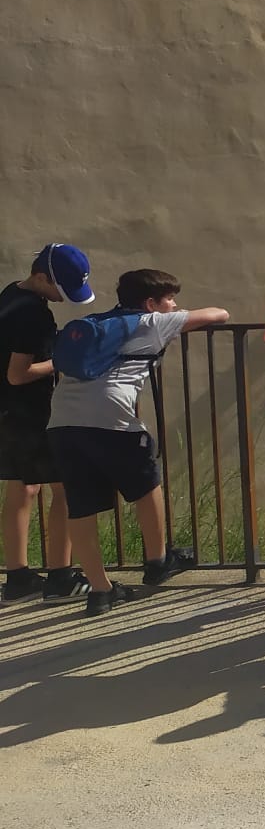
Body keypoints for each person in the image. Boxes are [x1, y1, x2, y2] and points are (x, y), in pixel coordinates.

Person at [46, 269, 228, 614]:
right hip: (111, 417)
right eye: (169, 299)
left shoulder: (98, 322)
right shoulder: (152, 322)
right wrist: (175, 316)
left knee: (80, 505)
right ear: (150, 303)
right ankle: (158, 561)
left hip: (62, 420)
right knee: (147, 482)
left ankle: (100, 590)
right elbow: (220, 314)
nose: (174, 304)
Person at [2, 244, 92, 603]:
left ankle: (18, 578)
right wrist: (61, 360)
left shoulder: (10, 294)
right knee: (66, 487)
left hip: (8, 411)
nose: (63, 297)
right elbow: (18, 374)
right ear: (41, 277)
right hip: (30, 410)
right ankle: (60, 576)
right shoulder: (34, 315)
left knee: (23, 488)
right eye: (60, 289)